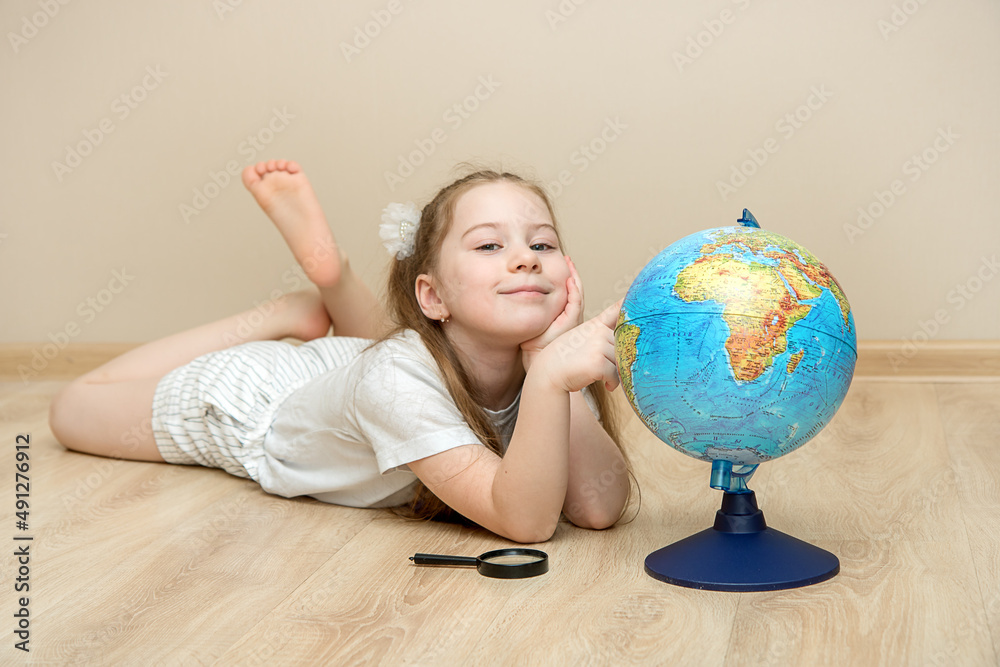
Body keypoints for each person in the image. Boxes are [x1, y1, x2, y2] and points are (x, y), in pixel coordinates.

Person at [49, 159, 633, 543]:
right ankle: (286, 312)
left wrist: (550, 364)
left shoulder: (529, 359)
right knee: (74, 407)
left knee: (386, 358)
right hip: (255, 401)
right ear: (431, 295)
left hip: (352, 370)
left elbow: (600, 507)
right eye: (488, 245)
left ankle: (329, 290)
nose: (525, 257)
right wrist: (553, 378)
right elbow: (524, 521)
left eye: (542, 243)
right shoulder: (395, 380)